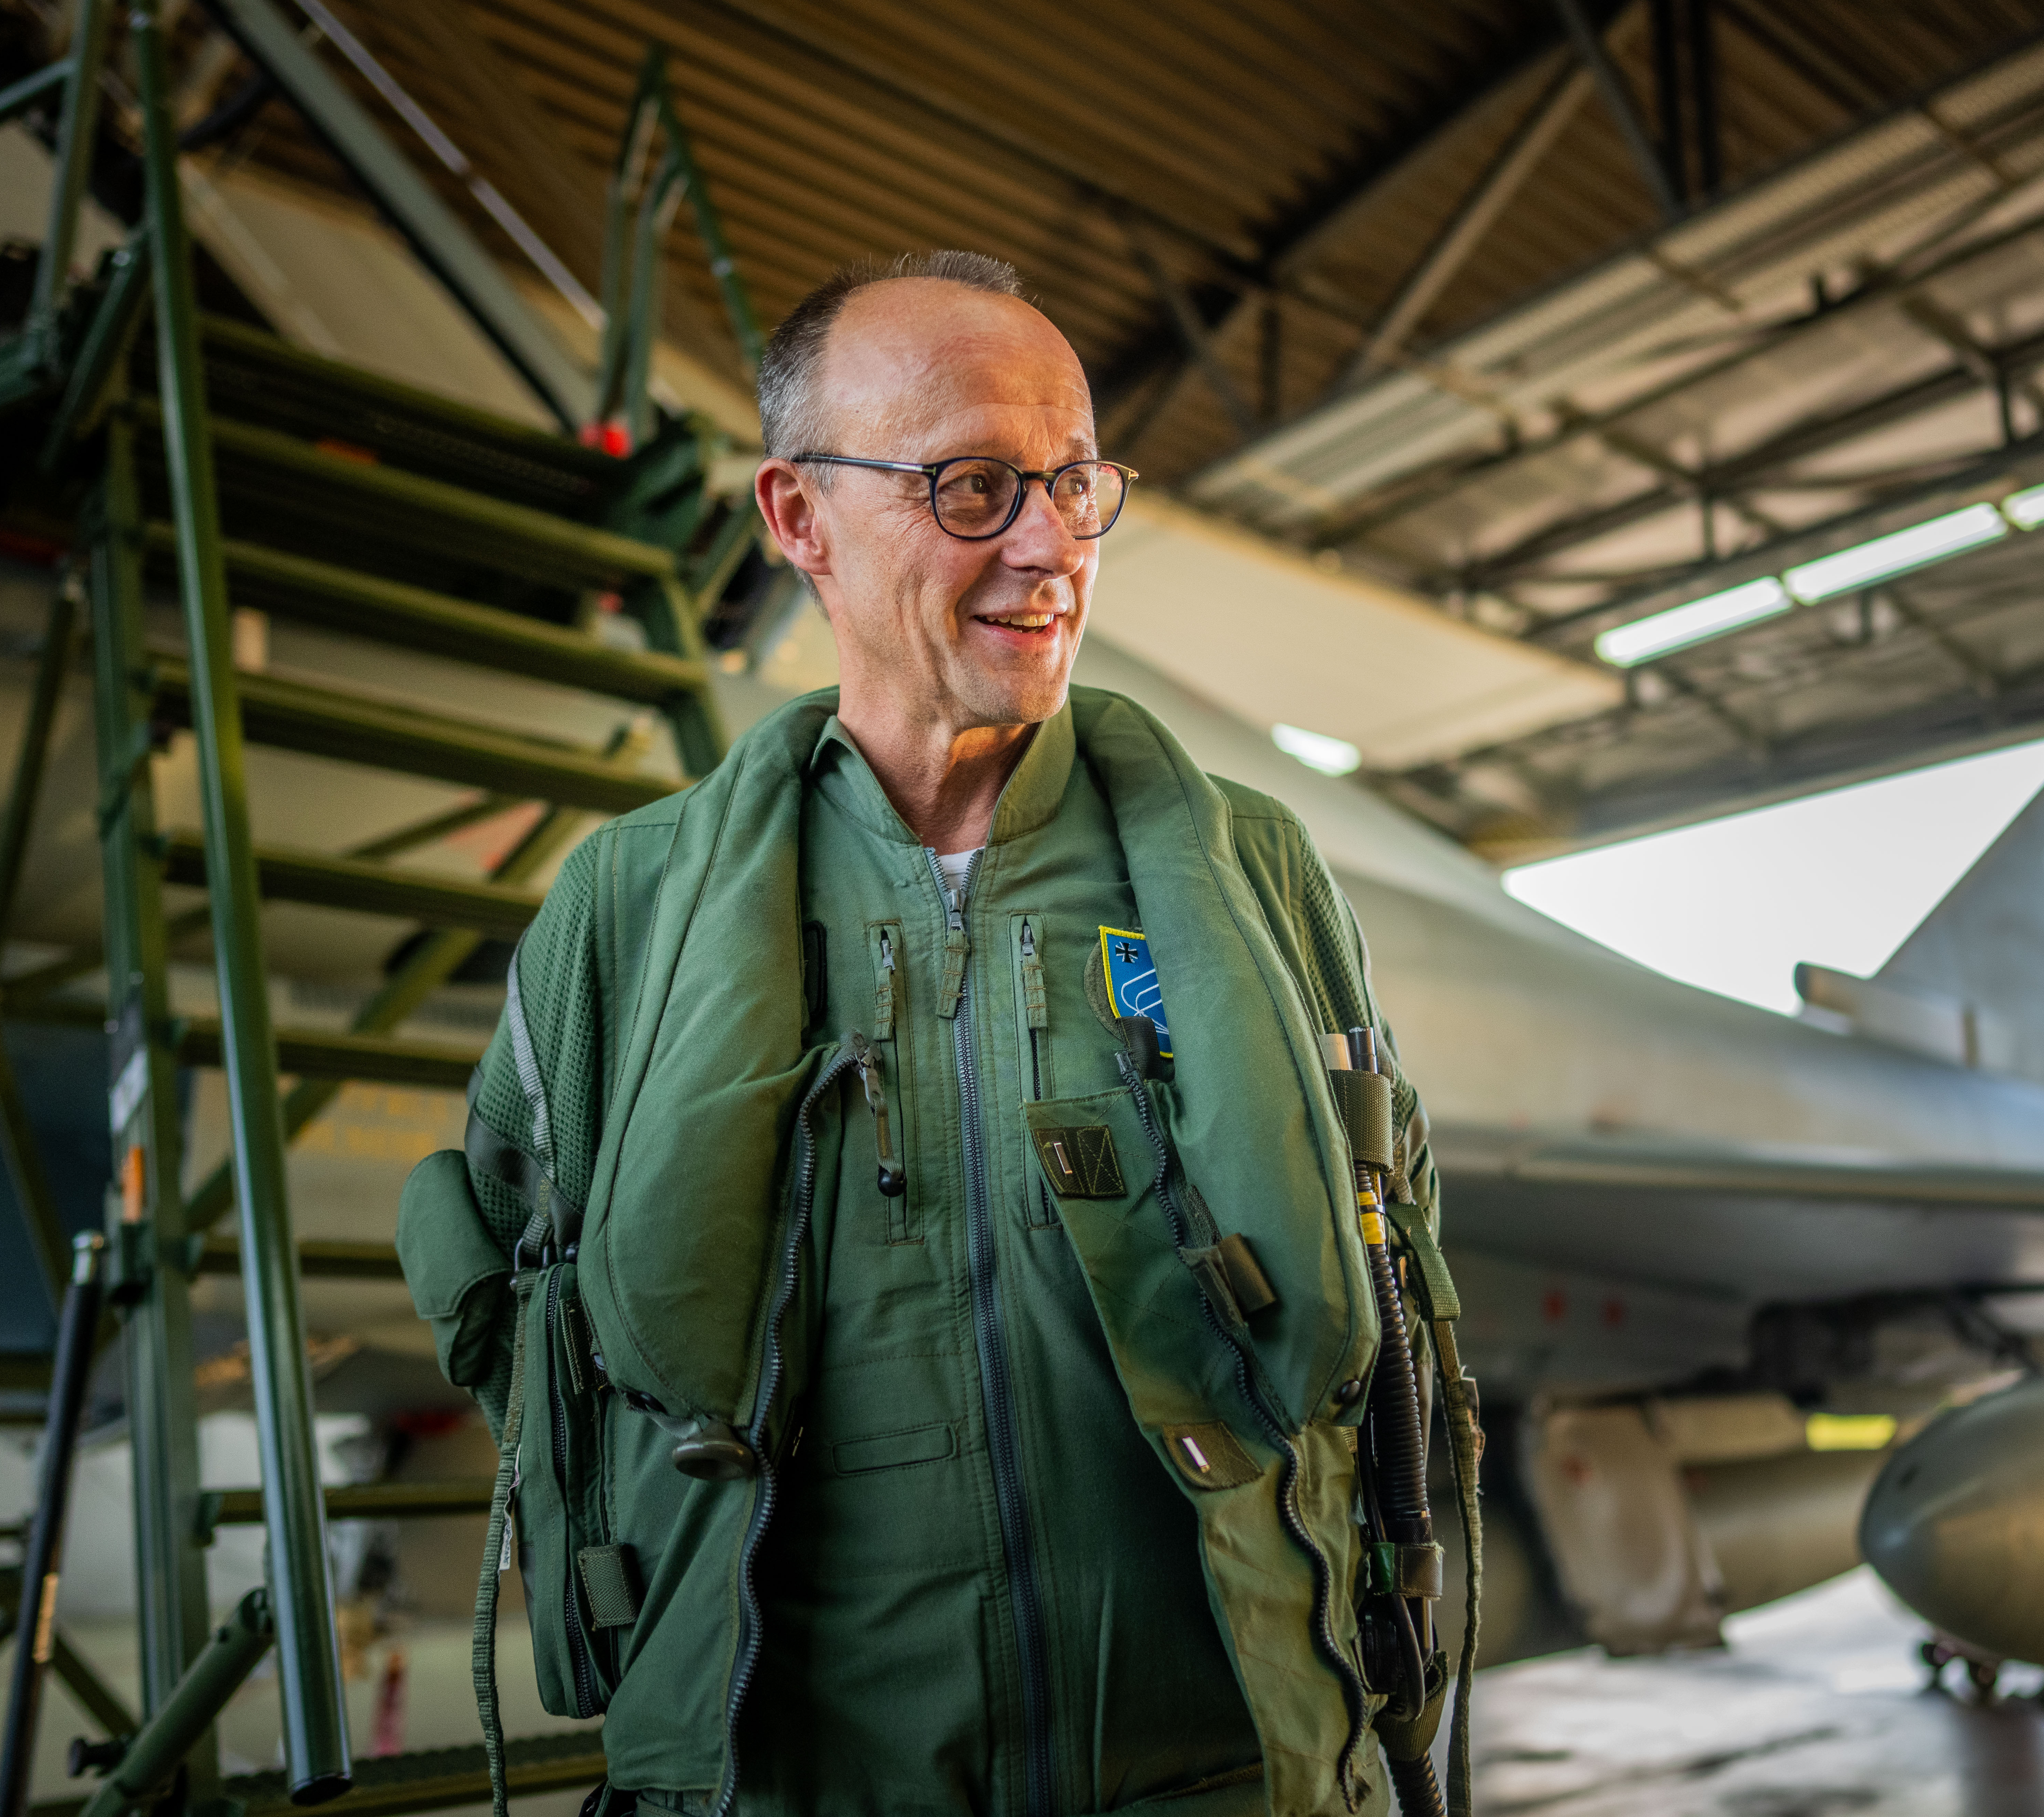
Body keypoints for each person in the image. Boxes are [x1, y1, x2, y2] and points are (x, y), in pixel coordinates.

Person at [399, 251, 1476, 1817]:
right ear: (799, 518)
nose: (1050, 547)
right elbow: (534, 1318)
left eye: (1074, 484)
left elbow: (1384, 1263)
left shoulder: (1249, 874)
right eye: (972, 488)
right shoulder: (624, 912)